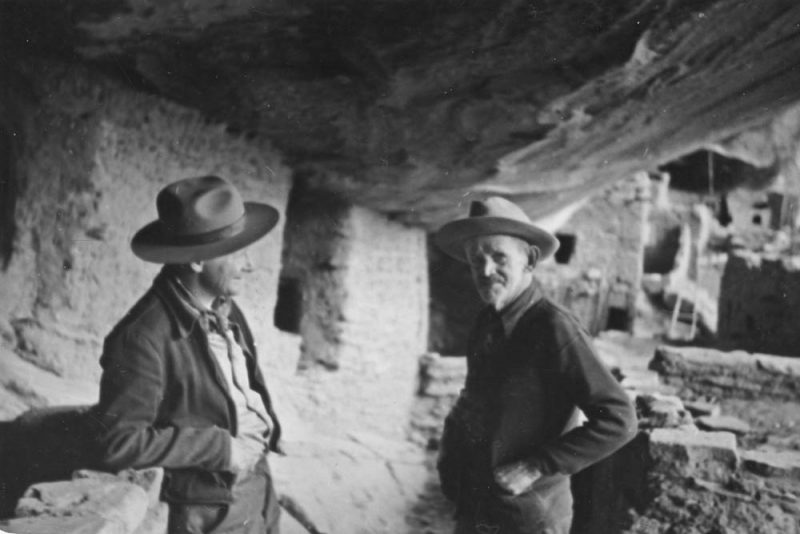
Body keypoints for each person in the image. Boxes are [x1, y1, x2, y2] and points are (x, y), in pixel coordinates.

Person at [91, 175, 284, 534]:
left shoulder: (225, 306)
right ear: (197, 260)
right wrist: (220, 448)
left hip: (258, 486)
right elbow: (118, 441)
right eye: (238, 252)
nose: (250, 264)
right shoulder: (141, 338)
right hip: (212, 509)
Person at [434, 196, 638, 534]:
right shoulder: (487, 321)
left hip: (528, 516)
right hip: (478, 506)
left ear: (529, 259)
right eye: (476, 260)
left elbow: (620, 419)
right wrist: (451, 460)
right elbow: (473, 400)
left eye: (499, 257)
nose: (486, 271)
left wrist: (534, 466)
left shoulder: (554, 327)